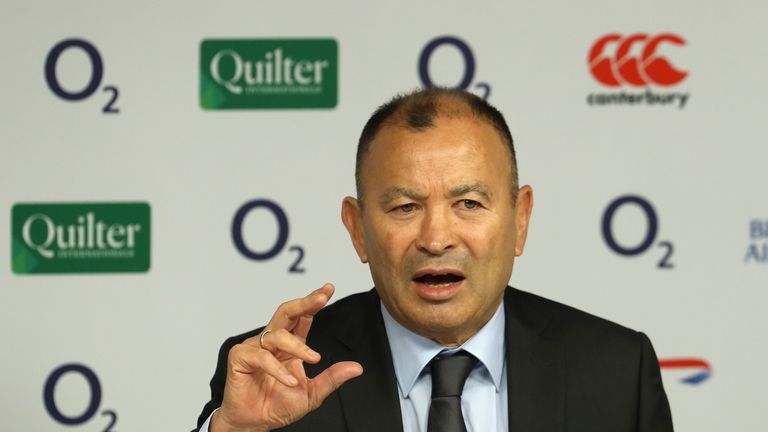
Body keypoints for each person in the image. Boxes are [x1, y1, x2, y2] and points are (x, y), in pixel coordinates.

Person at [193, 88, 674, 432]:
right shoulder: (278, 375)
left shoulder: (616, 370)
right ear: (358, 229)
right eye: (405, 207)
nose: (437, 237)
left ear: (520, 219)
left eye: (468, 203)